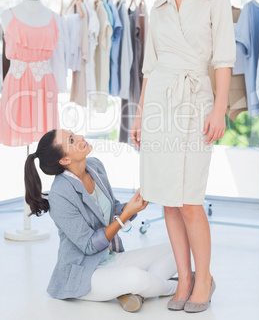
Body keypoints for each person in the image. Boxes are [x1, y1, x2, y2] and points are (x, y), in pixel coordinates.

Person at [130, 0, 236, 314]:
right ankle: (184, 277)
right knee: (167, 202)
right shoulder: (157, 9)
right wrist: (140, 117)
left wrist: (219, 108)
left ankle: (203, 278)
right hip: (159, 102)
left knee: (190, 199)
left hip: (196, 103)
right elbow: (148, 68)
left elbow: (224, 59)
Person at [24, 129, 178, 313]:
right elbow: (89, 245)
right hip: (86, 273)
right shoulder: (60, 194)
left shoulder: (95, 166)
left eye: (73, 134)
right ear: (64, 160)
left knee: (179, 249)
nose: (80, 137)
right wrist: (125, 215)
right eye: (72, 140)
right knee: (137, 278)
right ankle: (181, 288)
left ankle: (137, 293)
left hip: (112, 258)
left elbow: (111, 209)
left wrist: (132, 205)